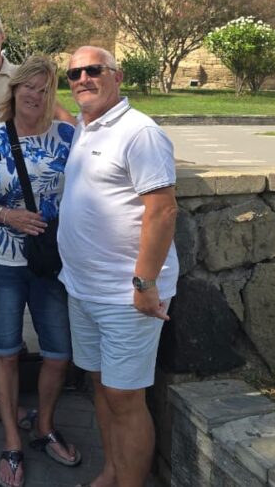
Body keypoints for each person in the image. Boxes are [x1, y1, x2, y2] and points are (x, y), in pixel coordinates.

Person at [57, 46, 178, 487]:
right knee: (102, 387)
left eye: (93, 70)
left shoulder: (138, 131)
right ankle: (112, 472)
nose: (83, 78)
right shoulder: (85, 128)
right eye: (73, 73)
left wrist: (144, 282)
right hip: (83, 289)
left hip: (125, 295)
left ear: (117, 75)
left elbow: (162, 211)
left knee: (126, 397)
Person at [0, 56, 81, 487]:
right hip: (2, 261)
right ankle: (12, 438)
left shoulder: (68, 137)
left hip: (51, 260)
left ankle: (44, 425)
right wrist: (6, 216)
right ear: (13, 91)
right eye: (26, 86)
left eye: (43, 87)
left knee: (58, 352)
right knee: (5, 349)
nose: (34, 94)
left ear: (52, 93)